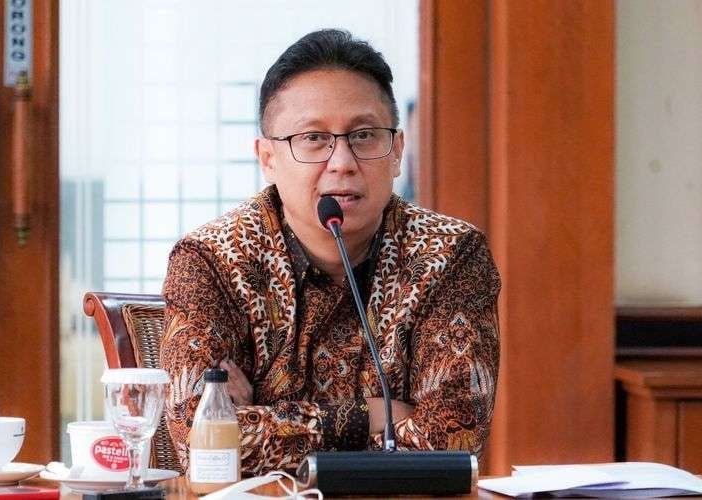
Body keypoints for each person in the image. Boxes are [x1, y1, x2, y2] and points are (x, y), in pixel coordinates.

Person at [159, 29, 501, 476]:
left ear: (396, 151)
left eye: (364, 135)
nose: (342, 162)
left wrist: (266, 416)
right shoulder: (211, 261)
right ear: (267, 158)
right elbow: (202, 447)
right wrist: (374, 416)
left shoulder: (451, 256)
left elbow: (450, 445)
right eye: (314, 138)